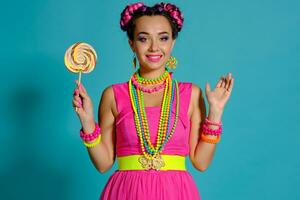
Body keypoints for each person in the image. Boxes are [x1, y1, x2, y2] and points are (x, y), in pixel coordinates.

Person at [72, 2, 234, 200]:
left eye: (163, 38)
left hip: (177, 193)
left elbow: (201, 162)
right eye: (143, 39)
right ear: (131, 43)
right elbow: (103, 163)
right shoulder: (113, 95)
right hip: (126, 192)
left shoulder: (191, 93)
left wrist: (215, 112)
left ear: (173, 42)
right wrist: (87, 122)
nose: (154, 47)